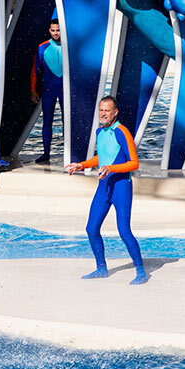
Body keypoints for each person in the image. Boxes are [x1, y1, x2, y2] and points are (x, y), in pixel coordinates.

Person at [66, 96, 147, 285]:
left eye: (107, 110)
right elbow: (102, 157)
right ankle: (101, 268)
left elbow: (134, 163)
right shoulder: (100, 131)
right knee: (91, 228)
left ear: (115, 112)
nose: (103, 114)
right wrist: (81, 165)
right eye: (101, 110)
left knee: (124, 231)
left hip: (121, 187)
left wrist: (111, 169)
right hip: (104, 186)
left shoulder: (122, 132)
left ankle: (141, 270)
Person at [31, 19, 64, 164]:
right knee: (47, 122)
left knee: (67, 122)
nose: (56, 33)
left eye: (58, 30)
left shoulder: (69, 46)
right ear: (49, 31)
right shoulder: (42, 47)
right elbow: (34, 71)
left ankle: (69, 153)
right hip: (48, 89)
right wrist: (33, 90)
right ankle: (46, 154)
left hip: (65, 90)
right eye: (53, 30)